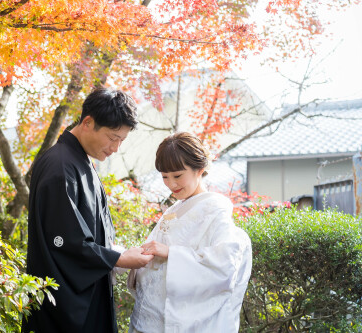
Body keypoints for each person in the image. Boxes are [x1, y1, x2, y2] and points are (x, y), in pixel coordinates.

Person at [22, 87, 153, 333]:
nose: (116, 147)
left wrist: (115, 253)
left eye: (121, 140)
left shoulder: (79, 161)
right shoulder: (60, 166)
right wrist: (119, 259)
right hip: (64, 310)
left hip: (87, 298)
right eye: (113, 137)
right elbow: (65, 242)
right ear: (88, 122)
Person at [128, 132, 253, 333]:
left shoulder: (215, 209)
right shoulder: (174, 210)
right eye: (165, 177)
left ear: (199, 170)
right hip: (151, 320)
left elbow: (225, 264)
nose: (171, 184)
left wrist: (172, 253)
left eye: (177, 176)